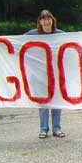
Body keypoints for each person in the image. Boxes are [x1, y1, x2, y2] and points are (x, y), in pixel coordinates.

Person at [24, 10, 65, 139]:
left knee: (56, 103)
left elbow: (79, 38)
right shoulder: (32, 34)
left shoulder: (60, 34)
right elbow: (15, 41)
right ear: (40, 22)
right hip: (39, 75)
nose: (46, 21)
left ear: (52, 20)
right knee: (43, 104)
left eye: (49, 19)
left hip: (56, 74)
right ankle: (43, 129)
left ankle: (57, 128)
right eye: (44, 19)